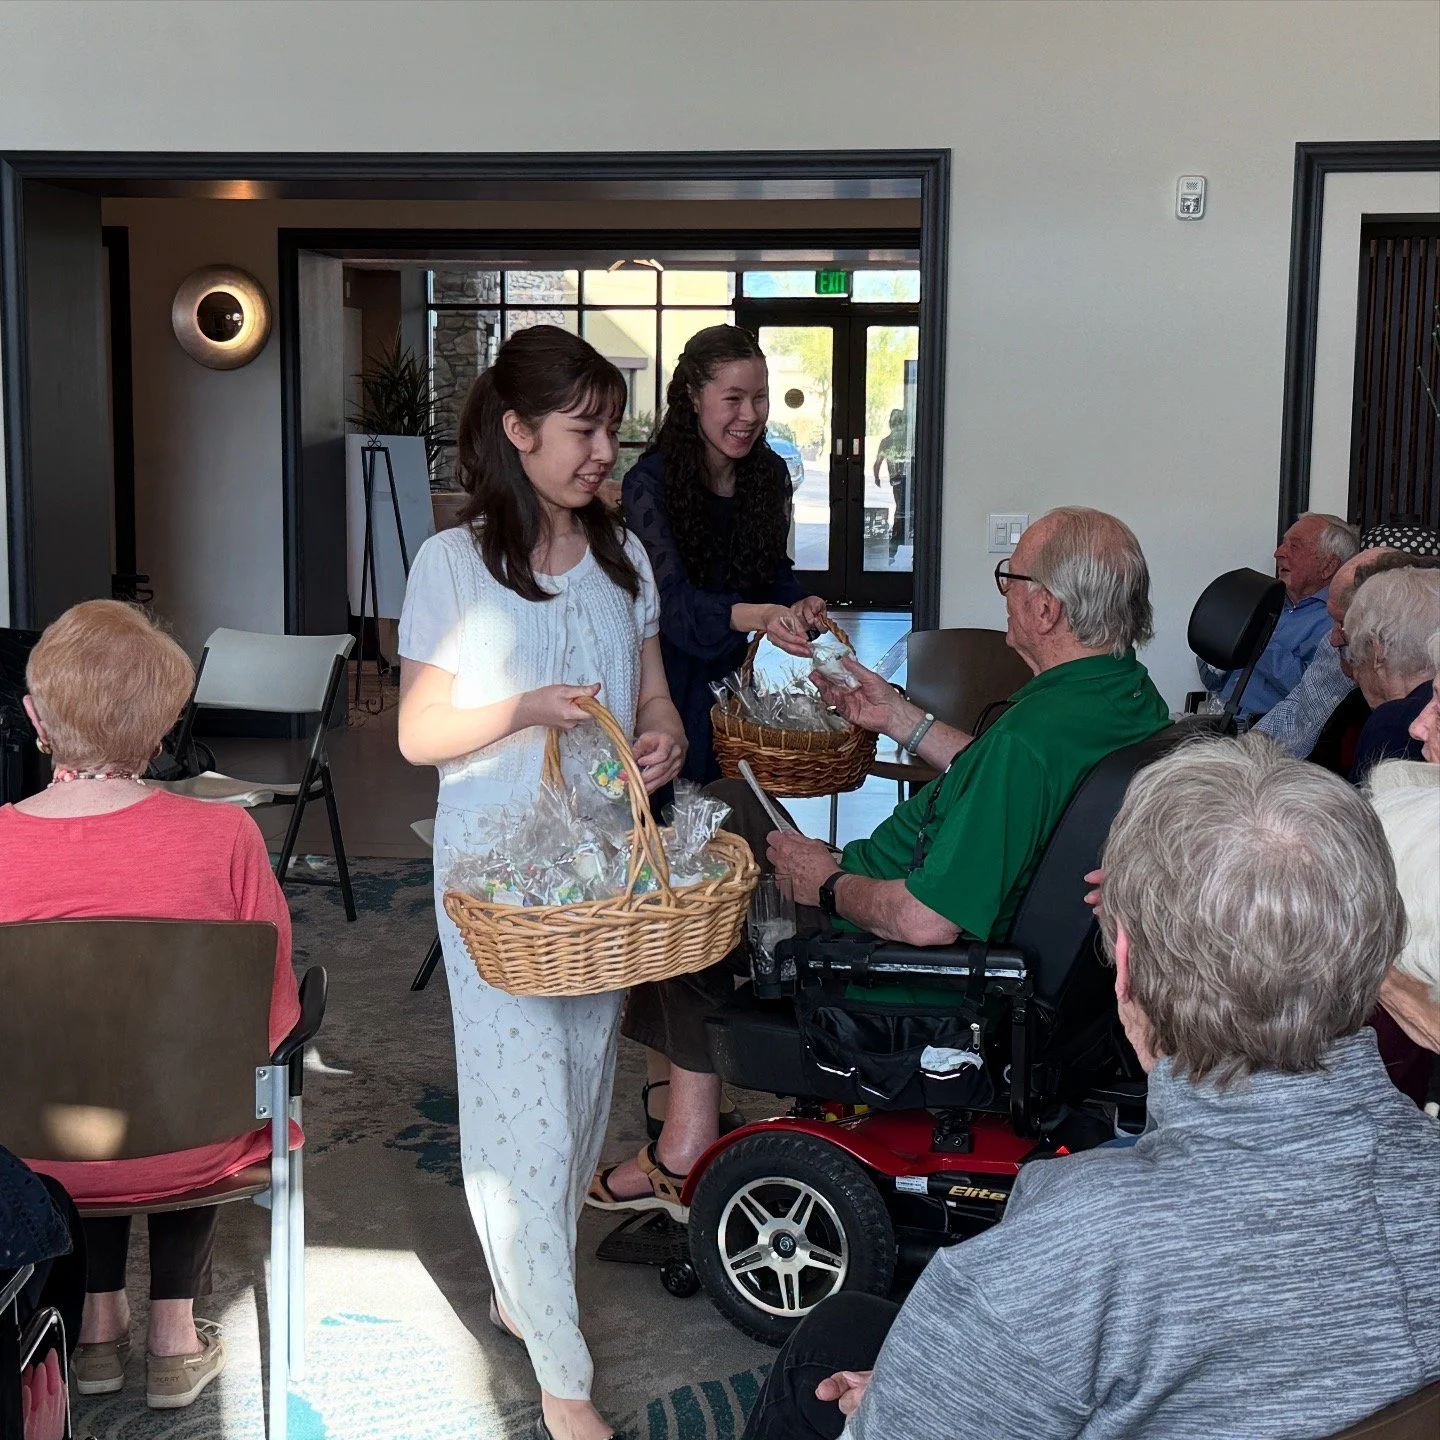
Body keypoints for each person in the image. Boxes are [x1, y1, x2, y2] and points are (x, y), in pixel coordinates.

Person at [742, 737, 1440, 1440]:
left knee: (827, 1352)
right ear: (1372, 953)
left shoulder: (1071, 1254)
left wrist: (901, 1407)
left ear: (1126, 966)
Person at [590, 507, 1169, 1214]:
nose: (1005, 593)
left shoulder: (1034, 739)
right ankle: (685, 1127)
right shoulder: (1122, 697)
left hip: (903, 962)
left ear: (1044, 607)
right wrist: (897, 717)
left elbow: (926, 922)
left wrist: (826, 882)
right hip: (980, 939)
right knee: (723, 813)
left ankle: (682, 1147)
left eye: (1009, 578)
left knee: (696, 860)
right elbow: (1019, 792)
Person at [397, 325, 686, 1440]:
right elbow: (420, 731)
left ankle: (525, 1295)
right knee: (522, 1118)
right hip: (496, 882)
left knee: (578, 1100)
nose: (604, 449)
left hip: (599, 877)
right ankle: (567, 1386)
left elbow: (652, 692)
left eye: (612, 427)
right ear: (516, 433)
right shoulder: (454, 565)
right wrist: (522, 708)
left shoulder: (624, 557)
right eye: (583, 428)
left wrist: (657, 737)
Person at [3, 600, 300, 1410]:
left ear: (34, 716)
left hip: (29, 1154)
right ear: (165, 724)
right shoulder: (225, 838)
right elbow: (267, 1020)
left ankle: (94, 1327)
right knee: (185, 1070)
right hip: (191, 1143)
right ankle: (175, 1337)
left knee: (82, 1064)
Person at [621, 324, 826, 786]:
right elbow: (670, 607)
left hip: (729, 688)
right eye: (733, 399)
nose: (750, 415)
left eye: (760, 398)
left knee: (728, 826)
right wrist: (761, 615)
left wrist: (796, 604)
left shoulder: (769, 474)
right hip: (658, 688)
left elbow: (771, 571)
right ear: (694, 396)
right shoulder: (648, 485)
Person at [1254, 540, 1440, 762]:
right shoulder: (1338, 650)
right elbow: (1298, 701)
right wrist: (1248, 751)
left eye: (1343, 624)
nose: (1333, 638)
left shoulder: (1397, 722)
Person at [1196, 511, 1358, 721]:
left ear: (1327, 567)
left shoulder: (1338, 620)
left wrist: (1254, 638)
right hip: (1218, 723)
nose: (1278, 553)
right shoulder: (1264, 602)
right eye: (1283, 543)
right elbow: (1212, 681)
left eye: (1295, 546)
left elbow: (1312, 693)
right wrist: (1218, 648)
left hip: (1269, 739)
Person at [1343, 566, 1440, 780]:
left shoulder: (1393, 723)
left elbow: (1360, 813)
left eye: (1352, 650)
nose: (1354, 670)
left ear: (1378, 652)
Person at [871, 407, 911, 559]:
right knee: (901, 509)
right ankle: (896, 541)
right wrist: (876, 476)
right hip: (899, 480)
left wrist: (877, 477)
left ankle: (895, 543)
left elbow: (877, 463)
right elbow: (878, 463)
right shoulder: (895, 441)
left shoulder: (888, 441)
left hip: (900, 480)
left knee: (901, 509)